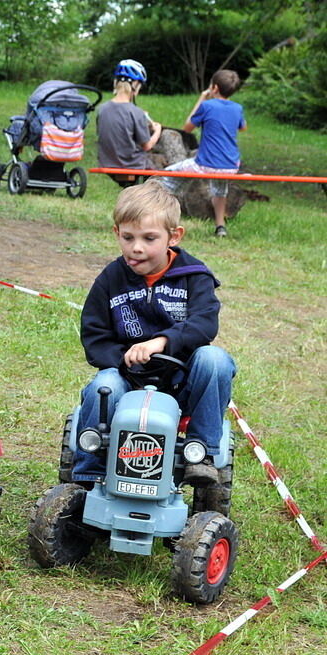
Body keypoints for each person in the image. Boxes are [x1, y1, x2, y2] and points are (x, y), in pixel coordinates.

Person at [74, 181, 235, 485]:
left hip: (181, 381)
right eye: (128, 237)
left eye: (149, 238)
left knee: (215, 360)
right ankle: (87, 471)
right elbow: (94, 334)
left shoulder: (195, 277)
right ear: (116, 233)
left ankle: (202, 453)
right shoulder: (111, 279)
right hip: (128, 380)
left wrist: (163, 341)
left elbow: (205, 323)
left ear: (174, 236)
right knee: (102, 385)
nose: (136, 247)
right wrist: (123, 358)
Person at [159, 70, 247, 238]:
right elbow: (243, 127)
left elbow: (187, 128)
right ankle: (220, 226)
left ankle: (159, 217)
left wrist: (202, 98)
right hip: (229, 166)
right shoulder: (237, 108)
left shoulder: (207, 106)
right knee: (220, 190)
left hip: (204, 164)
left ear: (214, 88)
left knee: (167, 176)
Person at [95, 59, 163, 188]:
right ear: (135, 85)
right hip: (131, 164)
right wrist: (157, 130)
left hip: (106, 162)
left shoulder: (102, 109)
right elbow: (147, 146)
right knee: (163, 173)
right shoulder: (136, 112)